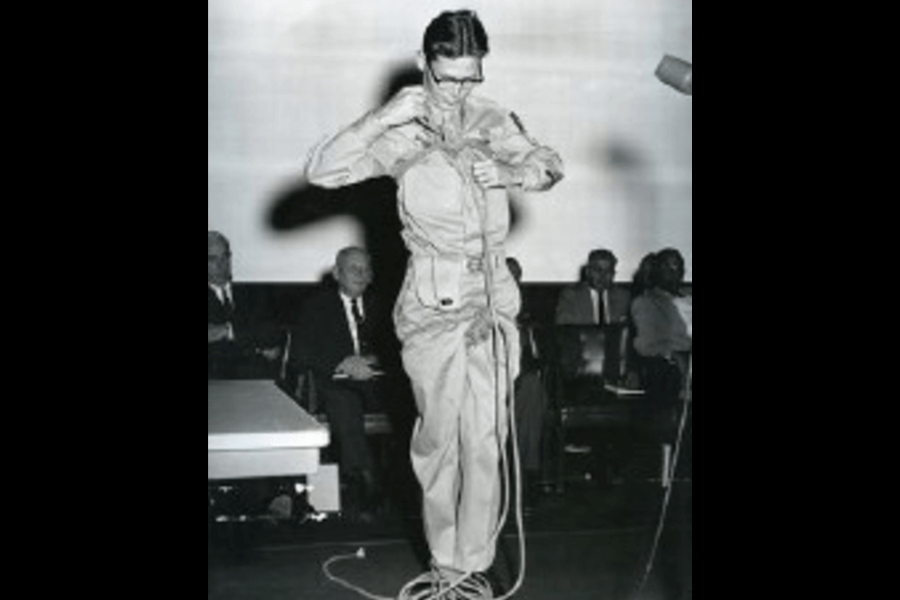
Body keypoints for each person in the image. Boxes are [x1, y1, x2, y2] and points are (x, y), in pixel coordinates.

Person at [305, 10, 564, 596]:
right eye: (448, 78)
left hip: (492, 296)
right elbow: (322, 170)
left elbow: (549, 164)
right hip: (431, 304)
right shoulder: (403, 132)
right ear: (425, 65)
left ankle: (472, 567)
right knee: (438, 441)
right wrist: (381, 117)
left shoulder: (493, 118)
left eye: (471, 78)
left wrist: (507, 171)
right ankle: (445, 566)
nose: (460, 92)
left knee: (485, 439)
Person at [290, 247, 395, 523]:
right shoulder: (315, 306)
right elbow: (300, 354)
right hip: (336, 385)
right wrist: (342, 362)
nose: (361, 274)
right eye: (353, 268)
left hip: (378, 383)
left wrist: (372, 359)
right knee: (344, 402)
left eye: (366, 269)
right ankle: (366, 480)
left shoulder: (384, 306)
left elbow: (402, 347)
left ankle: (407, 483)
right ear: (337, 273)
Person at [208, 231, 283, 380]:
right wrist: (256, 347)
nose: (222, 265)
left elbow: (271, 334)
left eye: (226, 257)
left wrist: (227, 331)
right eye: (212, 259)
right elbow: (214, 355)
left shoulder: (254, 291)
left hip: (257, 378)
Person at [506, 257, 548, 513]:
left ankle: (527, 474)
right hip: (486, 381)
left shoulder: (530, 309)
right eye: (506, 276)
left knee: (533, 390)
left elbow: (546, 353)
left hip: (523, 381)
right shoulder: (477, 304)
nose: (512, 282)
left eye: (516, 276)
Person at [631, 247, 692, 402]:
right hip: (680, 363)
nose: (673, 271)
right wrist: (674, 355)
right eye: (667, 266)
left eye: (678, 266)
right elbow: (646, 345)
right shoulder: (647, 302)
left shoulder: (689, 299)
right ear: (656, 271)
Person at [555, 248, 631, 326]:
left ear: (613, 274)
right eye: (598, 270)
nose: (603, 276)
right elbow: (565, 329)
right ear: (588, 272)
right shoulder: (571, 296)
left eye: (608, 271)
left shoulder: (623, 296)